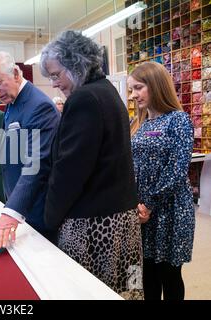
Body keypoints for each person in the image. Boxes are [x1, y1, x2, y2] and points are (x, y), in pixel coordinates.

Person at [40, 30, 142, 299]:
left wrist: (49, 217)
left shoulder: (84, 98)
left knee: (88, 291)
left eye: (55, 74)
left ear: (75, 65)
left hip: (94, 225)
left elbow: (70, 170)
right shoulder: (106, 91)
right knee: (123, 290)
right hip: (118, 217)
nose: (53, 83)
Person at [128, 61, 195, 300]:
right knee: (147, 274)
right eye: (131, 90)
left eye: (138, 88)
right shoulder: (136, 123)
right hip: (140, 211)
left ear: (155, 85)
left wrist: (149, 203)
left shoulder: (179, 120)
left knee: (169, 272)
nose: (134, 95)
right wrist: (134, 202)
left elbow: (177, 170)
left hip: (170, 210)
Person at [0, 51, 60, 247]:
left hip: (37, 210)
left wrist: (11, 213)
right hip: (22, 206)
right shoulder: (13, 101)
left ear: (16, 73)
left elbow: (37, 165)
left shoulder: (39, 106)